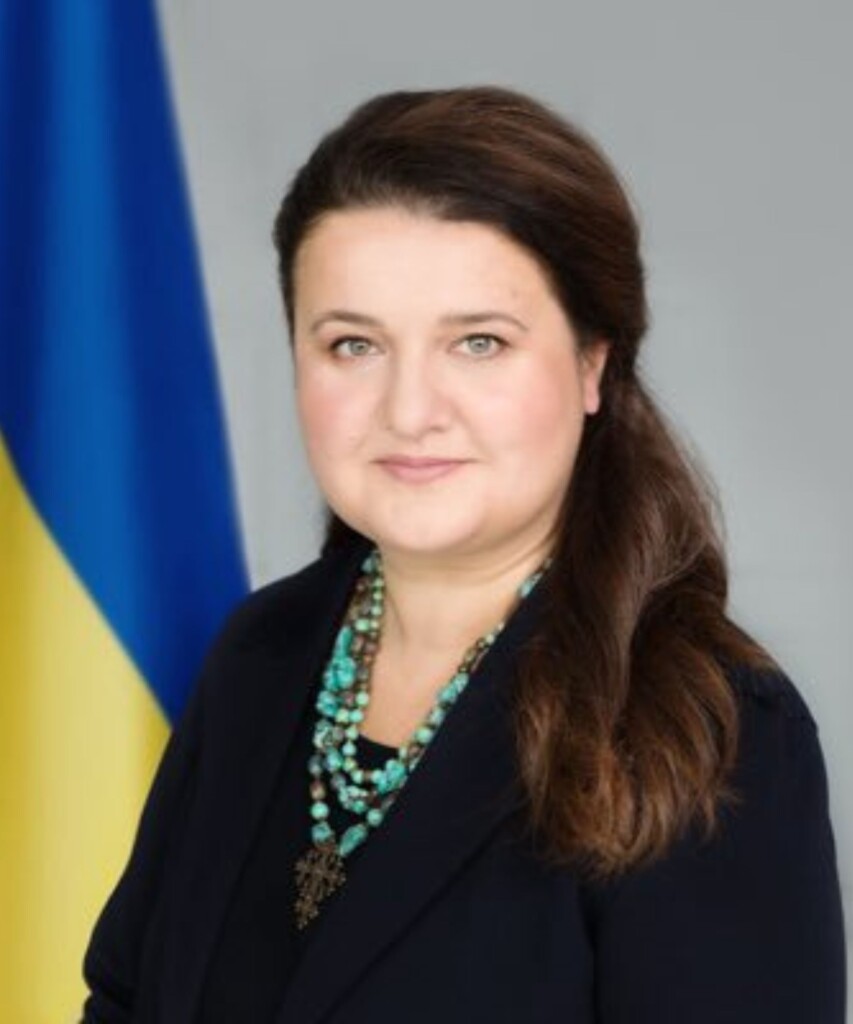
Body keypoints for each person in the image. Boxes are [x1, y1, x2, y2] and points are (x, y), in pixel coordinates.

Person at [80, 85, 846, 1023]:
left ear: (592, 363)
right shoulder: (263, 652)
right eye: (353, 345)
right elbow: (122, 999)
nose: (408, 410)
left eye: (477, 343)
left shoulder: (704, 725)